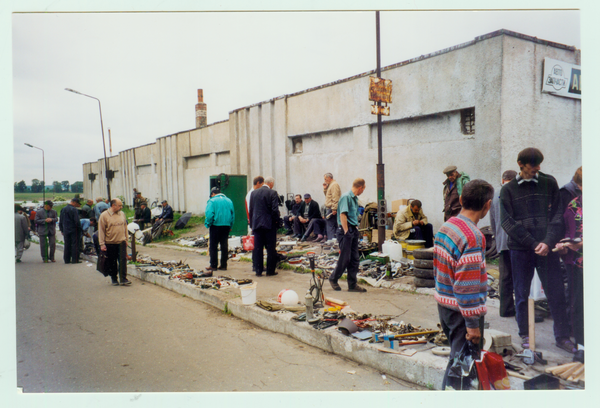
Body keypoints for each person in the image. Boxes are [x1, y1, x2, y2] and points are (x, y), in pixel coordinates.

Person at [500, 147, 574, 353]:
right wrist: (534, 244)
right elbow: (508, 223)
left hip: (546, 248)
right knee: (522, 293)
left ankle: (562, 336)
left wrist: (548, 242)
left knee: (556, 292)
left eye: (539, 164)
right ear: (520, 165)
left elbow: (558, 215)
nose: (538, 168)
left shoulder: (549, 183)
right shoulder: (507, 190)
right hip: (521, 250)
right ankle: (525, 334)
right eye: (533, 165)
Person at [433, 179, 494, 390]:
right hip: (461, 312)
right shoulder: (473, 237)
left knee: (456, 363)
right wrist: (472, 326)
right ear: (487, 205)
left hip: (445, 307)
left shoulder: (447, 226)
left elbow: (439, 269)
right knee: (461, 371)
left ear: (460, 199)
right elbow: (466, 287)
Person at [555, 167, 583, 363]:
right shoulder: (573, 205)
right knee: (578, 305)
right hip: (578, 264)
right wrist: (564, 245)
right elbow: (568, 232)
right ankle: (582, 346)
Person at [328, 178, 368, 293]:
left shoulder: (354, 198)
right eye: (363, 188)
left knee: (355, 258)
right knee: (345, 258)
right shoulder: (346, 197)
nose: (363, 191)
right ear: (360, 187)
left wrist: (355, 228)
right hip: (346, 231)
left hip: (352, 230)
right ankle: (333, 278)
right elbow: (343, 215)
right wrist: (346, 231)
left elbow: (353, 215)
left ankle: (352, 284)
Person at [489, 170, 518, 318]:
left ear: (502, 179)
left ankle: (505, 309)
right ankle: (522, 310)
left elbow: (493, 221)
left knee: (505, 277)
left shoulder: (494, 195)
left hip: (502, 242)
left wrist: (498, 236)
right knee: (520, 276)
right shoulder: (517, 191)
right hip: (518, 242)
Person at [249, 176, 281, 277]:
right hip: (269, 225)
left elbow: (251, 210)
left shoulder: (254, 193)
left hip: (257, 225)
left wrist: (252, 224)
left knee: (258, 248)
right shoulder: (273, 193)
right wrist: (277, 221)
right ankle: (270, 271)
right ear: (270, 184)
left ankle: (258, 270)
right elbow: (274, 210)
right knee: (270, 248)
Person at [202, 187, 235, 276]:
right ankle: (224, 265)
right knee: (224, 245)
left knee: (213, 246)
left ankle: (213, 265)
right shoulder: (229, 201)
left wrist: (208, 224)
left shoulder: (212, 201)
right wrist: (231, 225)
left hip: (215, 225)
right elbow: (233, 214)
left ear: (213, 194)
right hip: (226, 226)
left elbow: (209, 214)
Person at [98, 198, 131, 286]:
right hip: (110, 242)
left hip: (121, 242)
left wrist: (126, 239)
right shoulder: (104, 215)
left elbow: (125, 227)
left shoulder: (122, 214)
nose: (121, 207)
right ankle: (114, 278)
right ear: (113, 205)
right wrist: (102, 244)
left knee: (123, 261)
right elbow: (101, 230)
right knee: (112, 262)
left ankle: (123, 278)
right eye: (119, 205)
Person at [59, 196, 83, 264]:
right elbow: (76, 221)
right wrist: (80, 229)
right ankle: (74, 260)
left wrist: (61, 229)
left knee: (67, 244)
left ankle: (66, 259)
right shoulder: (74, 210)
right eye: (77, 203)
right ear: (74, 202)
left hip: (66, 229)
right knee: (75, 244)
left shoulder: (63, 209)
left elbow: (61, 220)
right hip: (74, 229)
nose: (77, 205)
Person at [323, 173, 341, 241]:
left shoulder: (334, 185)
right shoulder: (331, 185)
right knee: (332, 225)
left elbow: (335, 197)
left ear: (329, 178)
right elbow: (328, 196)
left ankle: (331, 241)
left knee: (330, 226)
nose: (325, 180)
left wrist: (334, 208)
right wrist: (325, 189)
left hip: (332, 208)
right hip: (331, 208)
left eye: (325, 179)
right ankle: (334, 241)